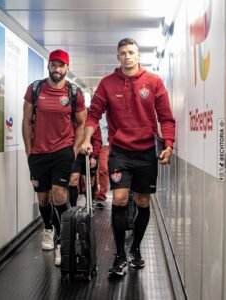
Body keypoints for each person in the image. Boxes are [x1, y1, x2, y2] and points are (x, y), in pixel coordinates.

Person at [81, 38, 175, 278]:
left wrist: (169, 144)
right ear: (118, 57)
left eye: (131, 52)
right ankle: (120, 255)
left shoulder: (153, 82)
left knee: (143, 202)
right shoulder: (107, 84)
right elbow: (93, 115)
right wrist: (86, 139)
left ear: (138, 55)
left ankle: (135, 249)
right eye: (123, 53)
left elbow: (166, 117)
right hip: (120, 152)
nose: (127, 56)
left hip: (146, 153)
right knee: (120, 199)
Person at [22, 49, 86, 266]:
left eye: (61, 65)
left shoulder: (74, 92)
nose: (56, 69)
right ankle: (48, 229)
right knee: (43, 198)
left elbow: (81, 124)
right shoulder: (35, 88)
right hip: (38, 153)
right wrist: (28, 150)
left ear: (67, 68)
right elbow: (26, 120)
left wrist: (74, 149)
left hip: (62, 151)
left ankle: (62, 241)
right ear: (48, 66)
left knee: (59, 195)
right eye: (53, 65)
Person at [69, 124, 102, 207]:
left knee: (90, 180)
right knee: (73, 178)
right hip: (76, 153)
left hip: (90, 154)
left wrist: (94, 156)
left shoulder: (92, 122)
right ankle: (73, 207)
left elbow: (97, 140)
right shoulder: (72, 119)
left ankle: (90, 203)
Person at [93, 113, 109, 208]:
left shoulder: (108, 111)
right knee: (92, 169)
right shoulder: (91, 110)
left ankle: (102, 196)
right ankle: (94, 194)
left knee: (103, 168)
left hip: (104, 144)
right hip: (93, 143)